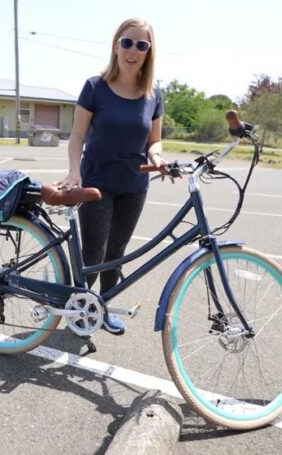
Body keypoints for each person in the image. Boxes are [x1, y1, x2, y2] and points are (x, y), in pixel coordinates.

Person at [56, 18, 165, 335]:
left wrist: (156, 154)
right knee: (94, 251)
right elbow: (77, 136)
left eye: (141, 45)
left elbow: (154, 138)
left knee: (116, 252)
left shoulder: (153, 93)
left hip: (134, 185)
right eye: (127, 43)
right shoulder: (95, 87)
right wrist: (74, 170)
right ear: (116, 45)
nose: (133, 51)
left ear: (148, 52)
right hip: (96, 183)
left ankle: (101, 308)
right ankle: (80, 306)